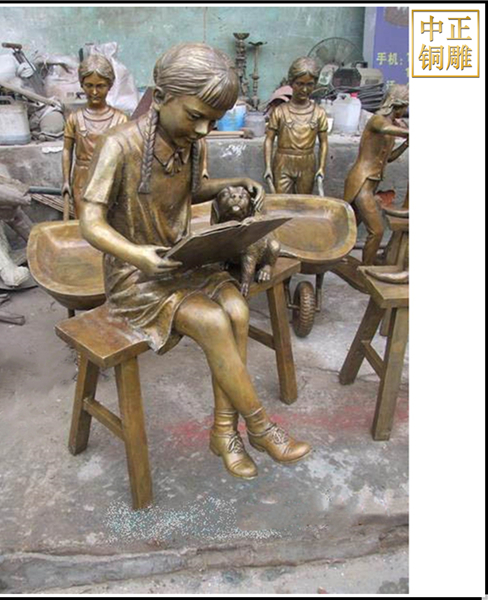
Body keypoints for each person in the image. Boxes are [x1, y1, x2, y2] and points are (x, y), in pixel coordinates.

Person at [78, 43, 311, 481]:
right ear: (162, 97)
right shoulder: (119, 145)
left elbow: (194, 189)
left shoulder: (191, 142)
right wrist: (136, 255)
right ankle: (260, 427)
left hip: (184, 261)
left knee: (237, 308)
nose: (204, 129)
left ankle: (224, 431)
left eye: (213, 121)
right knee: (211, 320)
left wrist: (236, 181)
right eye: (196, 116)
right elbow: (88, 222)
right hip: (137, 277)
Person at [344, 84, 409, 265]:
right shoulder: (378, 121)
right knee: (376, 230)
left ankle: (341, 260)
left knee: (348, 229)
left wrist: (406, 144)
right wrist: (407, 131)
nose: (405, 111)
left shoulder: (390, 125)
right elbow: (387, 129)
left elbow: (389, 158)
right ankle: (367, 268)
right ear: (396, 104)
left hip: (371, 185)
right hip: (361, 183)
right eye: (404, 106)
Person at [62, 54, 128, 216]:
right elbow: (67, 150)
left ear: (110, 86)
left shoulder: (121, 119)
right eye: (89, 85)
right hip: (81, 179)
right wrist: (66, 181)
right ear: (81, 85)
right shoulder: (74, 119)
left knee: (108, 222)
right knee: (83, 221)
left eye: (100, 86)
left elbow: (127, 155)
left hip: (110, 178)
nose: (94, 92)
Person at [264, 57, 328, 194]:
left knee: (304, 202)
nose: (304, 89)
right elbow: (269, 139)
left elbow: (324, 142)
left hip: (307, 163)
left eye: (310, 84)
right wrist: (268, 166)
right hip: (283, 162)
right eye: (300, 84)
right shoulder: (280, 111)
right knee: (281, 202)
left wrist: (321, 167)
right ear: (291, 83)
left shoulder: (319, 113)